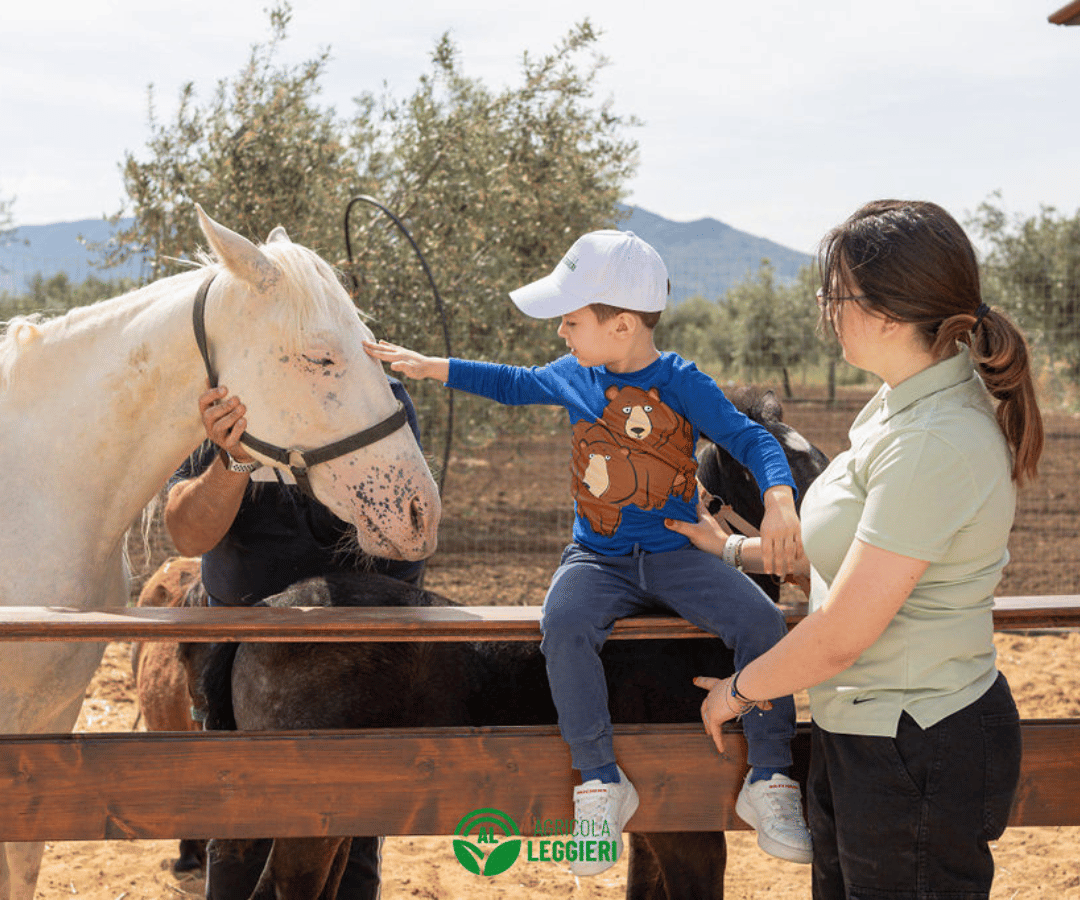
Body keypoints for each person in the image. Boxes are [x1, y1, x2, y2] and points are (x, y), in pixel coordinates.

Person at [364, 229, 813, 874]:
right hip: (597, 560)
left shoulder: (682, 382)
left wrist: (779, 498)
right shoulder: (575, 375)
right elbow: (514, 383)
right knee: (563, 625)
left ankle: (769, 779)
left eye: (571, 320)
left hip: (677, 556)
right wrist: (434, 367)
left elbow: (753, 441)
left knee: (764, 624)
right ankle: (600, 782)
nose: (561, 333)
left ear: (623, 325)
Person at [669, 200, 1043, 899]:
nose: (826, 308)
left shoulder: (932, 440)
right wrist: (731, 552)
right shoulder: (895, 408)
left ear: (890, 315)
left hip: (914, 745)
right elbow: (851, 560)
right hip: (870, 733)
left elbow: (843, 633)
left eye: (836, 295)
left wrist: (735, 693)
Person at [164, 376, 426, 899]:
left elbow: (410, 532)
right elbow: (188, 533)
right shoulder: (221, 402)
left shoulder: (380, 394)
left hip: (353, 671)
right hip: (240, 679)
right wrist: (234, 458)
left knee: (350, 855)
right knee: (240, 845)